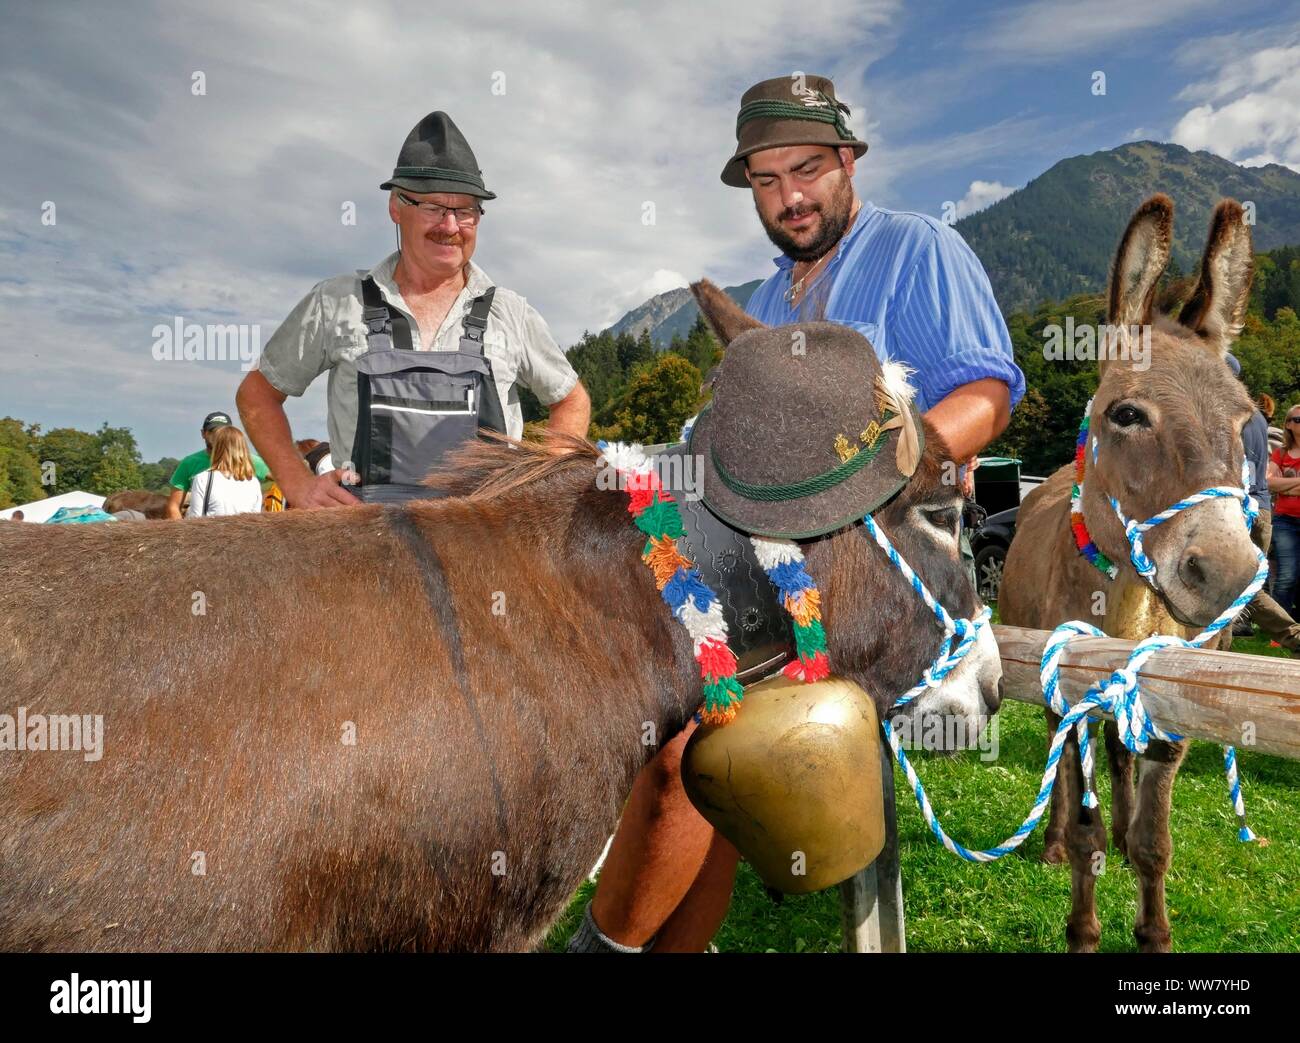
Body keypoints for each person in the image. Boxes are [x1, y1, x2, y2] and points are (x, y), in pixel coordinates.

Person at [569, 74, 1023, 954]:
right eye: (767, 182)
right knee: (692, 749)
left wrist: (878, 467)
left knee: (694, 745)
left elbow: (987, 391)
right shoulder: (770, 304)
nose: (790, 197)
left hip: (882, 570)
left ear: (849, 160)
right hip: (766, 567)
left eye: (807, 169)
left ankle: (605, 949)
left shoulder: (918, 248)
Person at [236, 111, 590, 509]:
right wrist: (299, 485)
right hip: (365, 549)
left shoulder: (510, 313)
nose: (451, 225)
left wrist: (540, 481)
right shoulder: (336, 302)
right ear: (396, 206)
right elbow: (257, 394)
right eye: (434, 207)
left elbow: (571, 399)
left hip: (485, 556)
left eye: (467, 210)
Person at [1227, 359, 1300, 647]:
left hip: (1238, 508)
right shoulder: (1255, 415)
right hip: (1262, 510)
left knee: (1243, 584)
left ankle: (1292, 636)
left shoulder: (1227, 411)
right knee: (1245, 584)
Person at [167, 411, 271, 519]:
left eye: (223, 431)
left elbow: (282, 479)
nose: (217, 435)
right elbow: (174, 506)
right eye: (213, 431)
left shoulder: (250, 461)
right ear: (203, 433)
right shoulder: (189, 463)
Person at [185, 426, 264, 518]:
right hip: (245, 532)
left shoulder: (202, 479)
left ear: (216, 448)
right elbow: (254, 520)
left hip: (212, 531)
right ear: (243, 449)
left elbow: (195, 519)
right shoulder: (253, 482)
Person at [1268, 403, 1300, 617]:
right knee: (1287, 575)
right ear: (1288, 424)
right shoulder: (1281, 453)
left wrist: (1286, 485)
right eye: (1297, 420)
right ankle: (1282, 630)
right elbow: (1269, 483)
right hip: (1285, 521)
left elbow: (1278, 483)